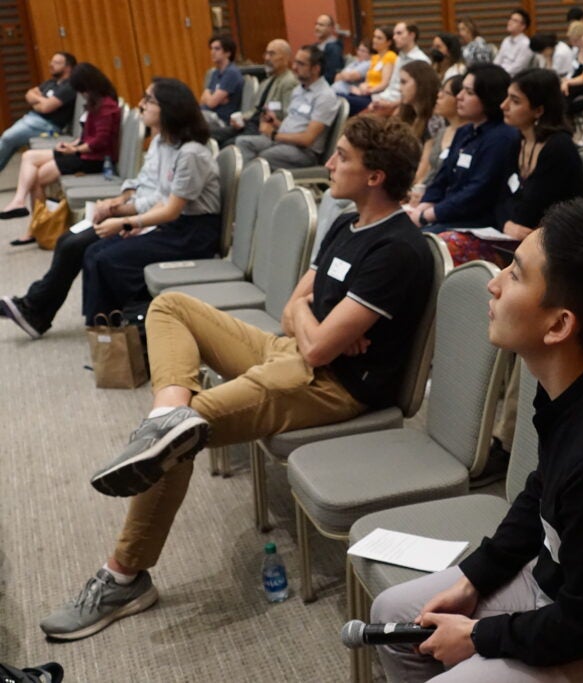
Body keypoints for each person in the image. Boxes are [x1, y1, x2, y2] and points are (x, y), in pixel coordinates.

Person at [39, 116, 434, 641]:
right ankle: (165, 416)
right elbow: (298, 304)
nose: (331, 163)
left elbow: (317, 344)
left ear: (376, 176)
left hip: (334, 387)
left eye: (342, 156)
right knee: (171, 307)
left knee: (185, 434)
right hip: (290, 350)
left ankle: (123, 575)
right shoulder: (346, 222)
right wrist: (315, 317)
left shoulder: (397, 250)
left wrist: (313, 321)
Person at [372, 198, 583, 682]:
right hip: (566, 587)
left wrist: (477, 636)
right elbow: (542, 488)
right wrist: (477, 575)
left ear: (559, 325)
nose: (493, 283)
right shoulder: (578, 376)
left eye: (514, 273)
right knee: (398, 615)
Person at [1, 78, 221, 340]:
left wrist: (125, 220)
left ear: (169, 108)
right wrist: (119, 203)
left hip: (191, 233)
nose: (141, 105)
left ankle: (121, 329)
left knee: (102, 256)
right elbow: (146, 185)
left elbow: (170, 209)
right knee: (85, 247)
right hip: (165, 221)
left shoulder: (191, 153)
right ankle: (101, 332)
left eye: (148, 100)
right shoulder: (162, 142)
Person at [440, 68, 583, 267]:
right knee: (440, 242)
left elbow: (530, 210)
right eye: (507, 98)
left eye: (515, 101)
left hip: (552, 247)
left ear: (539, 110)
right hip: (510, 236)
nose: (503, 106)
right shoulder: (519, 140)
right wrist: (506, 223)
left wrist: (509, 222)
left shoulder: (558, 148)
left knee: (449, 246)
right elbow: (500, 198)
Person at [3, 63, 120, 247]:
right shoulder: (96, 103)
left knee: (37, 177)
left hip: (94, 161)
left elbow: (100, 142)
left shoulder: (106, 106)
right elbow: (88, 135)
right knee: (29, 157)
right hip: (83, 153)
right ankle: (20, 203)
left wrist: (75, 150)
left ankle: (38, 228)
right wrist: (73, 144)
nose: (81, 94)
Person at [408, 64, 518, 231]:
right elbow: (442, 178)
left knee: (419, 244)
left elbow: (477, 192)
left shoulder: (502, 137)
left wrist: (430, 214)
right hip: (446, 214)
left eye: (469, 92)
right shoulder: (464, 131)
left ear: (488, 97)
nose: (459, 96)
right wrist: (423, 207)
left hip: (475, 223)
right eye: (461, 91)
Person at [235, 44, 339, 170]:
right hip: (283, 141)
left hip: (303, 152)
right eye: (295, 62)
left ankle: (258, 185)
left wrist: (273, 134)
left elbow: (307, 139)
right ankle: (252, 184)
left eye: (301, 64)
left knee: (264, 158)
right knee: (243, 142)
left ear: (316, 69)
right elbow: (294, 125)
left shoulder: (325, 96)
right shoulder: (299, 90)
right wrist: (275, 123)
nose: (294, 67)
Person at [0, 52, 77, 175]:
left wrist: (38, 102)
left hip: (47, 125)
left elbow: (46, 108)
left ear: (68, 67)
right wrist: (42, 101)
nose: (51, 65)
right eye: (51, 62)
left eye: (56, 63)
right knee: (9, 141)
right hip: (32, 119)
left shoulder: (69, 86)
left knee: (7, 138)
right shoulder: (51, 82)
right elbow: (29, 94)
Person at [211, 39, 298, 146]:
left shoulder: (289, 82)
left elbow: (287, 117)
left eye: (272, 54)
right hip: (249, 123)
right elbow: (255, 110)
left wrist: (271, 124)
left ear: (286, 58)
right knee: (210, 134)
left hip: (264, 128)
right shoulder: (266, 82)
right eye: (266, 53)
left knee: (228, 144)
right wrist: (242, 118)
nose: (267, 58)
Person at [348, 22, 429, 116]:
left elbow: (419, 94)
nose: (394, 37)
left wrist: (390, 104)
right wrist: (378, 100)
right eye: (394, 34)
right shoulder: (399, 58)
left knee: (359, 122)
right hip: (384, 99)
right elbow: (391, 86)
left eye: (399, 33)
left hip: (400, 106)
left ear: (411, 35)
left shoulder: (420, 61)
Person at [410, 74, 464, 204]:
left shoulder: (468, 137)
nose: (439, 96)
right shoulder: (441, 132)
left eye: (446, 93)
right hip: (423, 196)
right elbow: (427, 170)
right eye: (441, 91)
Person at [341, 27, 397, 101]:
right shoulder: (375, 57)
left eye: (379, 38)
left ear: (389, 42)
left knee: (343, 100)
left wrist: (368, 91)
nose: (374, 40)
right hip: (366, 92)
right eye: (374, 37)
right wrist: (361, 88)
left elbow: (385, 83)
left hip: (377, 96)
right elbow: (368, 81)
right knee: (340, 96)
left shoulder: (390, 56)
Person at [199, 34, 243, 128]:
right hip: (208, 114)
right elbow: (203, 99)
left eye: (217, 49)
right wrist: (215, 98)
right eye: (211, 48)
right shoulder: (215, 72)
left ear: (228, 53)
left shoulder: (231, 73)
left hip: (221, 119)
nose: (212, 52)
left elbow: (211, 103)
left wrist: (212, 97)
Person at [397, 61, 443, 142]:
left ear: (420, 83)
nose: (399, 89)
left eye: (404, 82)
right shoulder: (407, 114)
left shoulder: (435, 120)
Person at [494, 9, 533, 77]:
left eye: (515, 21)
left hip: (514, 78)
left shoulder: (526, 44)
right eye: (510, 19)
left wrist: (499, 75)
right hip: (500, 76)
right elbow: (497, 60)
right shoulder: (506, 40)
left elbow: (518, 68)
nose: (510, 22)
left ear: (523, 26)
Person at [314, 14, 345, 83]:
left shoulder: (334, 48)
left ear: (331, 28)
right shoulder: (315, 46)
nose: (317, 27)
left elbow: (331, 75)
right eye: (316, 24)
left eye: (321, 25)